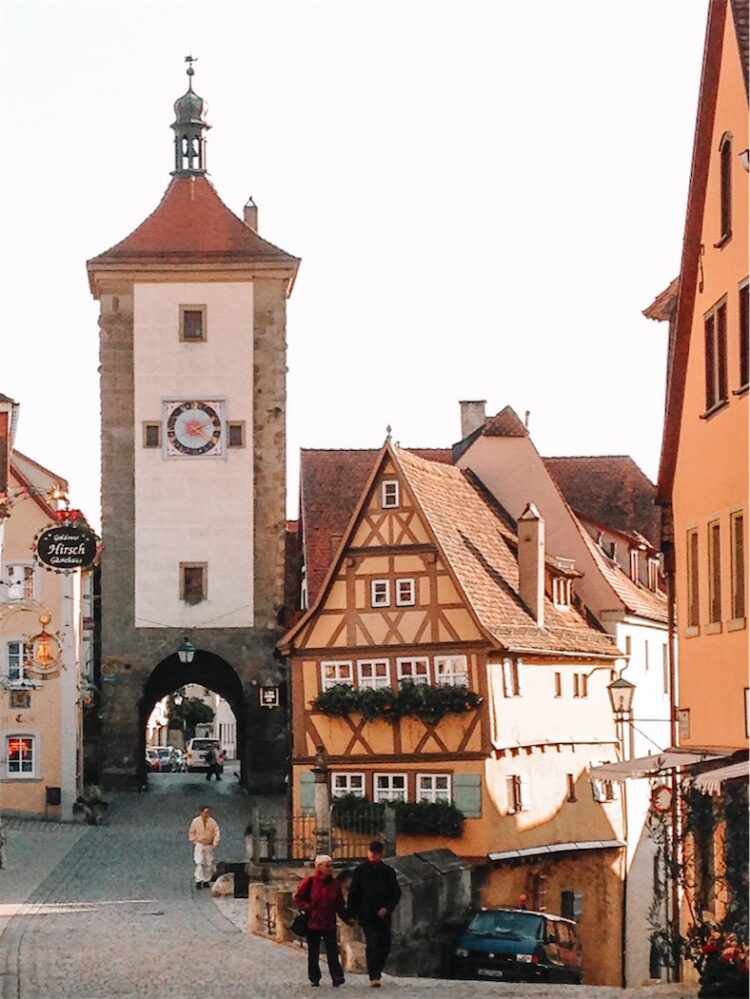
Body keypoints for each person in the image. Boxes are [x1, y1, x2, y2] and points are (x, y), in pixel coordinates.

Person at [346, 841, 401, 988]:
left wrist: (387, 908)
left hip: (383, 915)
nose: (373, 855)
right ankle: (374, 975)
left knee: (385, 945)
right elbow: (353, 894)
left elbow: (395, 893)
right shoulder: (360, 871)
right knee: (372, 943)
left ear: (381, 854)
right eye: (371, 852)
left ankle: (378, 969)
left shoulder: (388, 871)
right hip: (367, 914)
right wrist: (352, 914)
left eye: (376, 853)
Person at [294, 855, 350, 988]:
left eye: (332, 865)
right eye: (327, 866)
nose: (330, 869)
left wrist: (347, 918)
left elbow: (339, 904)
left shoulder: (335, 884)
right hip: (313, 922)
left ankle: (337, 976)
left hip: (329, 922)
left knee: (332, 951)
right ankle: (314, 977)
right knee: (313, 953)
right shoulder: (310, 881)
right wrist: (308, 908)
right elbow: (298, 898)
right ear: (319, 867)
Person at [188, 805, 220, 889]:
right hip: (200, 844)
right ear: (201, 813)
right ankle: (198, 880)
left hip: (209, 845)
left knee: (208, 863)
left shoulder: (212, 822)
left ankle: (206, 880)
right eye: (205, 812)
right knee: (199, 862)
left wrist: (215, 843)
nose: (206, 814)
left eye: (208, 812)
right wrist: (194, 841)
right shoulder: (196, 821)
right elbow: (192, 831)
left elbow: (216, 832)